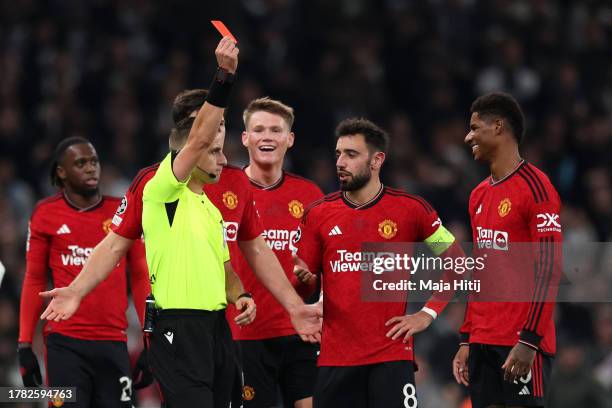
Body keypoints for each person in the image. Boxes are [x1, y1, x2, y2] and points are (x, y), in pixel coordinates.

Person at [293, 118, 462, 408]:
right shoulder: (318, 214)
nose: (340, 162)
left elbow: (457, 262)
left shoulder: (411, 210)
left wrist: (427, 314)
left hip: (391, 359)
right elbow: (303, 286)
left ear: (377, 159)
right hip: (335, 360)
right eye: (338, 154)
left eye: (351, 154)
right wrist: (304, 282)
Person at [20, 136, 149, 407]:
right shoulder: (45, 214)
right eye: (81, 163)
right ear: (61, 172)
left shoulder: (121, 213)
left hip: (114, 343)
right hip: (64, 343)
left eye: (94, 161)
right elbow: (34, 279)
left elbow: (139, 275)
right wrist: (24, 344)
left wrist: (150, 338)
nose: (91, 168)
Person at [452, 92, 563, 408]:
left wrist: (529, 340)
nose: (468, 136)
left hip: (519, 341)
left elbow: (549, 271)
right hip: (482, 342)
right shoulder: (477, 195)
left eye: (475, 127)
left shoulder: (537, 189)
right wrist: (466, 337)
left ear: (498, 126)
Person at [227, 97, 323, 408]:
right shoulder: (225, 190)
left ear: (289, 139)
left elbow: (325, 266)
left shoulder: (310, 195)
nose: (267, 136)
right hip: (244, 335)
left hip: (301, 332)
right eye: (258, 129)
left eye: (275, 130)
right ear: (245, 138)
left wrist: (315, 287)